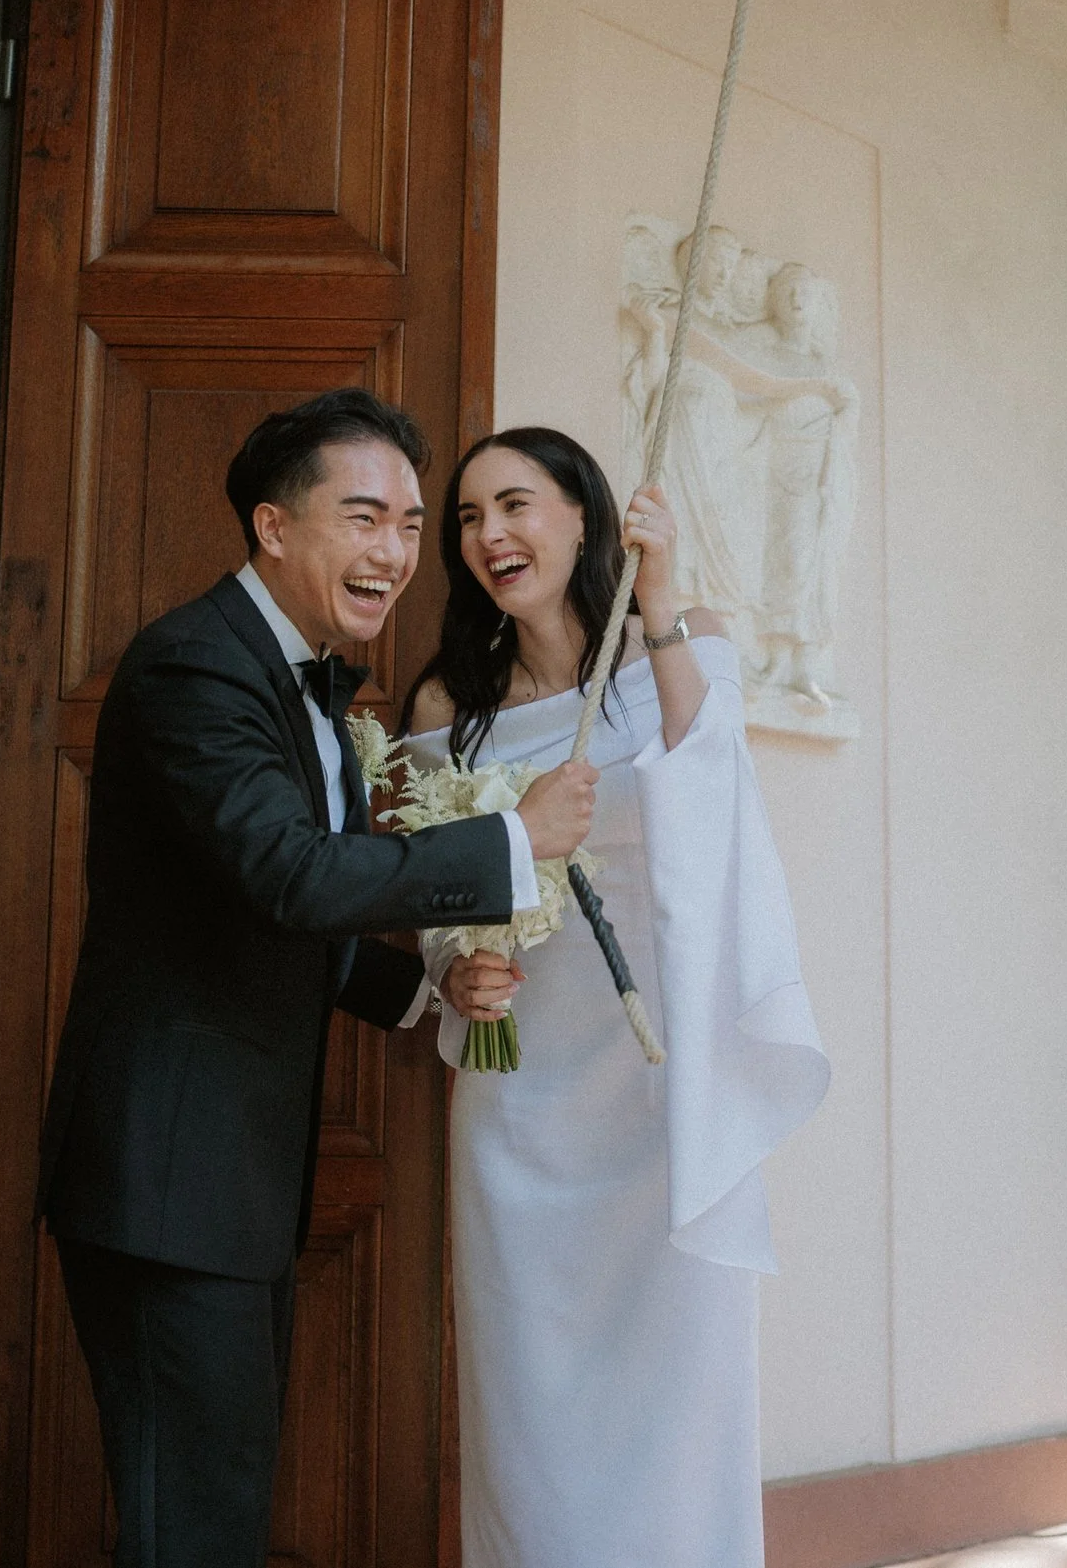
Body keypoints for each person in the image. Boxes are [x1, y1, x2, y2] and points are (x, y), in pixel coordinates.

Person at [35, 389, 599, 1568]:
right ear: (273, 528)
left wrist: (423, 993)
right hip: (167, 1183)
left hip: (215, 1190)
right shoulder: (197, 665)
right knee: (192, 1524)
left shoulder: (290, 674)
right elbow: (289, 875)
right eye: (363, 518)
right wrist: (512, 842)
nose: (394, 552)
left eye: (407, 525)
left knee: (215, 1506)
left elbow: (265, 913)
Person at [402, 425, 831, 1568]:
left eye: (516, 504)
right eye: (467, 518)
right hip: (525, 1091)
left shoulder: (674, 653)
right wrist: (457, 967)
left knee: (682, 1393)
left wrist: (662, 598)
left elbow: (711, 781)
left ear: (584, 516)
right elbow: (433, 886)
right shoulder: (450, 704)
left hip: (661, 1088)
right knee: (531, 1406)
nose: (489, 534)